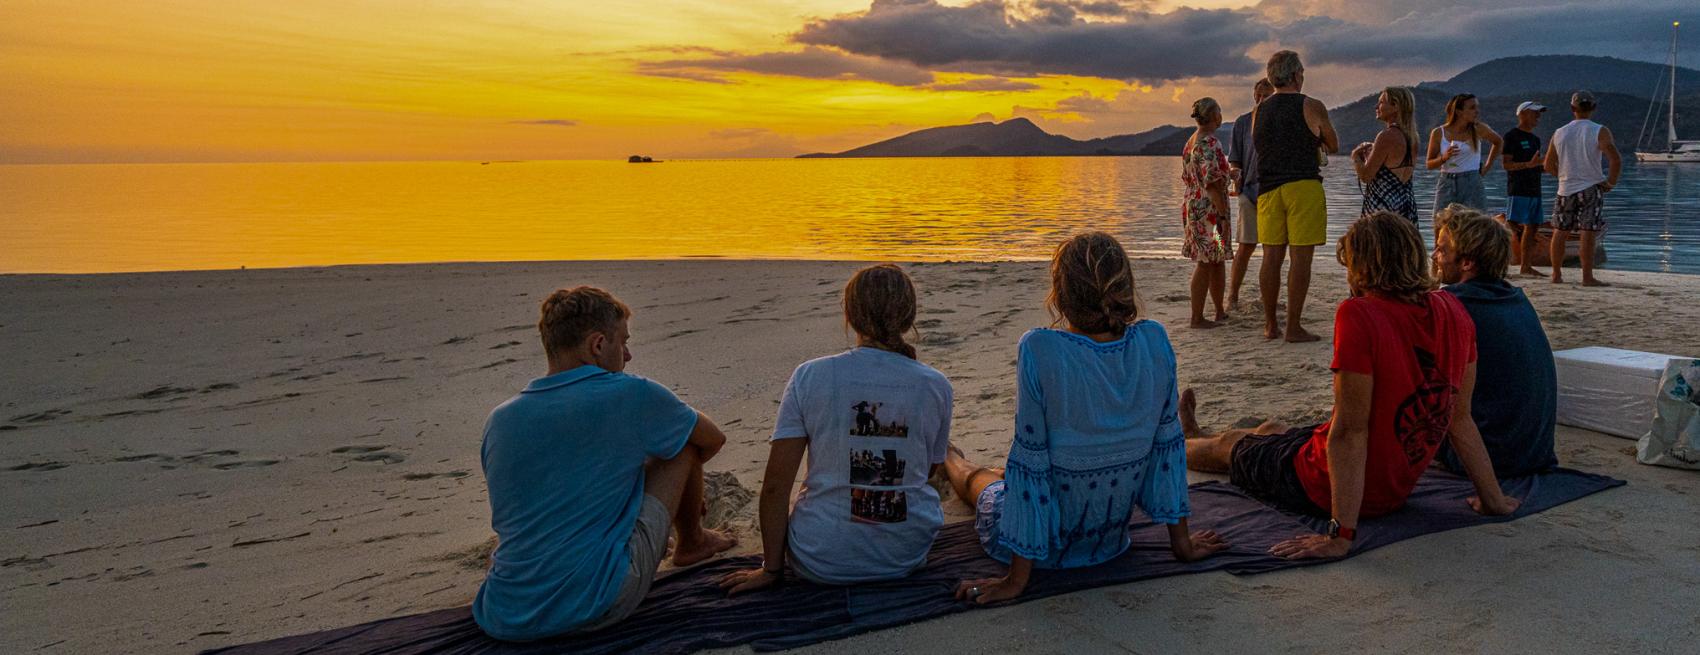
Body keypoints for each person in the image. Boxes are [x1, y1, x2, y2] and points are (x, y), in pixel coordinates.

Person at [1182, 212, 1520, 559]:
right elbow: (1459, 418)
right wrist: (1492, 498)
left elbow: (1350, 432)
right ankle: (1196, 433)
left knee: (1231, 444)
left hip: (1325, 488)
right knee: (1272, 429)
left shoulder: (1360, 314)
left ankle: (1181, 444)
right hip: (1394, 488)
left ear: (1364, 266)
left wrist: (1340, 536)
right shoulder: (1454, 310)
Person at [944, 232, 1227, 605]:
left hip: (1044, 550)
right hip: (1109, 540)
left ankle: (949, 457)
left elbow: (1030, 463)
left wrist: (1015, 581)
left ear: (1061, 296)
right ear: (1125, 288)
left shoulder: (1040, 349)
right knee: (1013, 474)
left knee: (981, 483)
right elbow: (1167, 450)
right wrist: (1183, 546)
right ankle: (961, 462)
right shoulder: (1154, 340)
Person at [474, 286, 737, 641]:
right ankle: (693, 541)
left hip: (504, 614)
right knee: (682, 443)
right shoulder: (630, 393)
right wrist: (657, 474)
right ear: (598, 345)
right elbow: (711, 439)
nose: (627, 355)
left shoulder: (500, 419)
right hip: (597, 602)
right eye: (623, 342)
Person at [719, 264, 954, 595]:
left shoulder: (811, 376)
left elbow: (775, 486)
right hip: (905, 553)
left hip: (821, 558)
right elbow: (929, 468)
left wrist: (771, 569)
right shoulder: (935, 384)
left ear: (850, 315)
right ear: (909, 316)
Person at [1432, 206, 1559, 477]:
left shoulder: (1453, 306)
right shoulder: (1517, 299)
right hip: (1534, 451)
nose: (1435, 256)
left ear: (1467, 263)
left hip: (1490, 456)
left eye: (1442, 250)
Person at [1251, 50, 1338, 343]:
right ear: (1296, 75)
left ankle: (1270, 324)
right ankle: (1293, 327)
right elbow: (1333, 143)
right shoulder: (1311, 105)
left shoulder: (1258, 110)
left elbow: (1260, 144)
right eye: (1302, 73)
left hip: (1268, 189)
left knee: (1271, 257)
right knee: (1301, 258)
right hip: (1303, 185)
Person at [1543, 91, 1622, 287]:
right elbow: (1615, 159)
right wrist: (1610, 182)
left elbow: (1547, 165)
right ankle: (1587, 277)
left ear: (1572, 109)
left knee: (1560, 231)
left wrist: (1562, 175)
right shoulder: (1600, 131)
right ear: (1593, 108)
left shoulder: (1559, 132)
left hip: (1565, 188)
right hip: (1590, 187)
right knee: (1588, 232)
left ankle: (1556, 274)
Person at [1182, 96, 1231, 328]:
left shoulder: (1191, 142)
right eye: (1219, 112)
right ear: (1212, 116)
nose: (1221, 117)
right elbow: (1211, 183)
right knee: (1207, 260)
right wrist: (1221, 215)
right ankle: (1198, 317)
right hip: (1209, 211)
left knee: (1215, 259)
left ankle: (1219, 311)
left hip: (1194, 205)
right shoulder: (1210, 143)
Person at [1227, 78, 1275, 311]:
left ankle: (1268, 300)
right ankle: (1232, 296)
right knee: (1246, 246)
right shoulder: (1243, 123)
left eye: (1266, 95)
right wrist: (1235, 175)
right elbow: (1234, 157)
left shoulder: (1279, 122)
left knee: (1271, 248)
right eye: (1258, 95)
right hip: (1248, 190)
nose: (1260, 99)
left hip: (1274, 190)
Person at [1426, 94, 1503, 215]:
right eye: (1472, 108)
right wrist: (1444, 158)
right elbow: (1429, 164)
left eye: (1477, 107)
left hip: (1472, 182)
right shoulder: (1438, 132)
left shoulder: (1479, 128)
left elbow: (1498, 142)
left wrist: (1487, 167)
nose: (1477, 111)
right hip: (1447, 182)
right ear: (1458, 112)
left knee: (1476, 226)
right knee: (1440, 225)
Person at [1352, 86, 1419, 222]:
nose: (1376, 106)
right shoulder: (1413, 137)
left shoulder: (1386, 136)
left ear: (1395, 106)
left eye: (1381, 102)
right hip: (1406, 205)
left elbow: (1366, 176)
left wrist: (1355, 157)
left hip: (1384, 209)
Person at [1501, 101, 1549, 276]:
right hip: (1518, 188)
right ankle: (1505, 260)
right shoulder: (1511, 136)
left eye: (1539, 113)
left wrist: (1549, 167)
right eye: (1535, 112)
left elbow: (1536, 165)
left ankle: (1526, 266)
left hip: (1535, 188)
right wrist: (1528, 165)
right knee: (1515, 224)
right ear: (1522, 114)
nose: (1538, 116)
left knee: (1533, 226)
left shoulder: (1535, 139)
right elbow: (1506, 164)